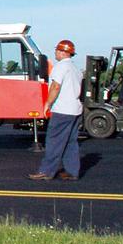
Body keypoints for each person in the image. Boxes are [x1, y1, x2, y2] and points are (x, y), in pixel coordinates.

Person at [30, 39, 84, 181]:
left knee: (54, 141)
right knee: (71, 142)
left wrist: (48, 103)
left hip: (63, 110)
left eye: (56, 50)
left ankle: (46, 171)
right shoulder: (75, 69)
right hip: (76, 110)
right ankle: (72, 171)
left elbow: (55, 86)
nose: (55, 52)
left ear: (62, 52)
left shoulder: (60, 67)